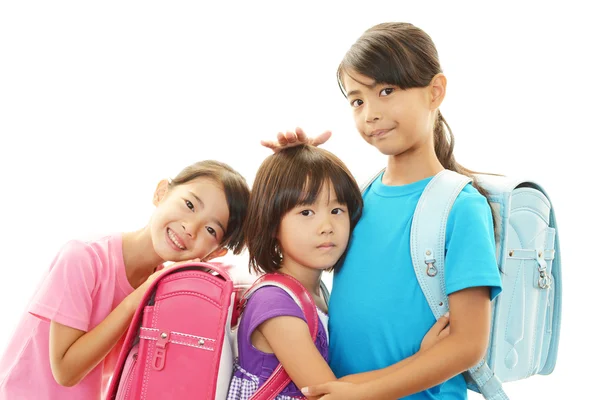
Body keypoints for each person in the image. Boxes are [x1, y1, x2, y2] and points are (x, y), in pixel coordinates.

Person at [263, 22, 503, 400]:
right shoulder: (357, 200)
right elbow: (303, 264)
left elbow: (468, 345)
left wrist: (364, 393)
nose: (370, 113)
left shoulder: (461, 208)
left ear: (434, 92)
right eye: (357, 100)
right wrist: (296, 168)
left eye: (386, 91)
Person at [0, 160, 250, 399]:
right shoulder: (82, 257)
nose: (190, 227)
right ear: (161, 193)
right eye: (190, 204)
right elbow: (66, 371)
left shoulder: (165, 288)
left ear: (214, 253)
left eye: (210, 230)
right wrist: (135, 300)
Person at [228, 145, 450, 400]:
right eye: (306, 212)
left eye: (337, 211)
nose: (326, 226)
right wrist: (423, 362)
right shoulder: (274, 303)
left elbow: (342, 387)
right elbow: (327, 393)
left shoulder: (317, 292)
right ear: (272, 224)